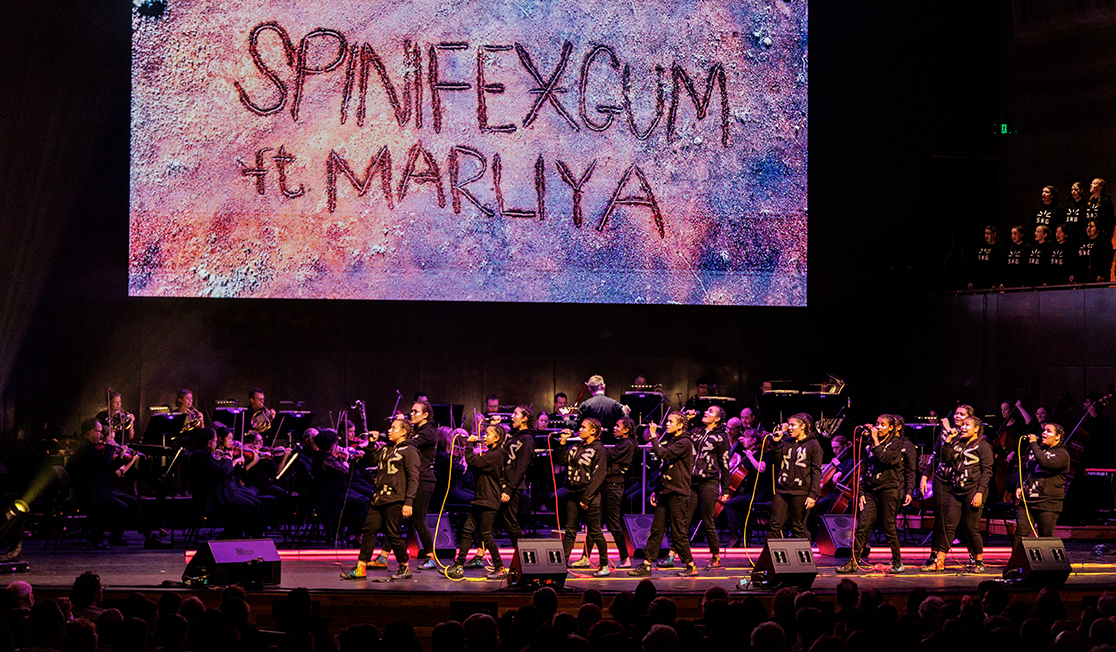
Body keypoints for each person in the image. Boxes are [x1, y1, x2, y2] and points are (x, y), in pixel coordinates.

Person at [341, 417, 420, 581]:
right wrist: (370, 445)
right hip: (379, 497)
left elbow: (413, 478)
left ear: (403, 432)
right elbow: (371, 461)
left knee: (392, 534)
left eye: (394, 428)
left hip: (395, 498)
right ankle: (361, 567)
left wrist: (409, 502)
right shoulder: (386, 449)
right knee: (369, 530)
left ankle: (404, 566)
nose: (389, 431)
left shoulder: (410, 451)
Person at [67, 418, 164, 548]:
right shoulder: (84, 449)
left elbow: (106, 469)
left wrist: (121, 459)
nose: (101, 435)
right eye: (99, 432)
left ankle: (148, 537)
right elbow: (103, 463)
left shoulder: (91, 448)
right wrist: (110, 447)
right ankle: (96, 534)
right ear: (90, 432)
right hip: (90, 493)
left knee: (133, 501)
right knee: (122, 507)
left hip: (101, 490)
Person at [628, 412, 697, 578]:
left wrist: (653, 436)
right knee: (656, 529)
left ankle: (690, 565)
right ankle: (646, 564)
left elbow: (664, 454)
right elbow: (665, 468)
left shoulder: (685, 442)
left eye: (671, 422)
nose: (667, 424)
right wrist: (657, 490)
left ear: (680, 426)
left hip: (678, 492)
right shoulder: (675, 441)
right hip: (666, 491)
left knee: (678, 531)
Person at [837, 415, 907, 574]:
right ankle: (852, 562)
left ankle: (897, 562)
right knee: (862, 525)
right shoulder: (869, 446)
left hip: (889, 490)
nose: (879, 427)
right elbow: (864, 470)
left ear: (891, 428)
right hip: (871, 491)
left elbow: (885, 460)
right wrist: (861, 491)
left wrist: (875, 439)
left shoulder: (895, 443)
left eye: (883, 425)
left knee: (889, 527)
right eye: (877, 424)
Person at [923, 414, 992, 572]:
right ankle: (939, 562)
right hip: (957, 490)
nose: (963, 427)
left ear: (976, 429)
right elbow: (944, 458)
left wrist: (980, 492)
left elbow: (987, 471)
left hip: (974, 490)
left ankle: (979, 562)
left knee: (971, 527)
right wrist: (947, 441)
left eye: (968, 425)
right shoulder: (958, 443)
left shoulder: (982, 445)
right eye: (963, 425)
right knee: (949, 526)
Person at [444, 425, 509, 580]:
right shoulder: (492, 453)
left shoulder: (497, 454)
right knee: (467, 531)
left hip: (488, 500)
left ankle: (499, 567)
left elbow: (474, 462)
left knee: (486, 535)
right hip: (480, 499)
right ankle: (459, 565)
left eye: (488, 434)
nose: (484, 437)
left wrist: (469, 444)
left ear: (497, 438)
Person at [187, 427, 264, 539]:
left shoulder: (202, 454)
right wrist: (228, 459)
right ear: (209, 443)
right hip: (213, 497)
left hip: (220, 492)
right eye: (215, 442)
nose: (216, 444)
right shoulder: (201, 456)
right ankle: (238, 535)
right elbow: (222, 472)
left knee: (255, 502)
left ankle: (238, 534)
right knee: (250, 505)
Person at [919, 404, 972, 566]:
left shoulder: (968, 434)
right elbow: (937, 456)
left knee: (965, 520)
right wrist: (925, 475)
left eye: (962, 414)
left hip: (961, 481)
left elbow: (953, 456)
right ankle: (935, 553)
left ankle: (973, 553)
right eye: (956, 413)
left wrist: (949, 431)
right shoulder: (944, 432)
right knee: (940, 518)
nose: (957, 416)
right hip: (942, 479)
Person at [556, 419, 609, 577]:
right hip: (573, 493)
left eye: (583, 427)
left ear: (593, 431)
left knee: (595, 531)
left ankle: (604, 564)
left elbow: (599, 475)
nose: (580, 429)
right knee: (570, 530)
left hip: (589, 495)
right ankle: (562, 563)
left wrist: (586, 498)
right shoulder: (576, 447)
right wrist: (562, 443)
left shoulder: (599, 449)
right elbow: (562, 461)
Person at [1010, 422, 1069, 549]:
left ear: (1057, 437)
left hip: (1048, 502)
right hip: (1028, 501)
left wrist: (1033, 444)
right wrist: (1019, 485)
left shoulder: (1062, 454)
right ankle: (1016, 565)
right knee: (1020, 534)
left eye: (1048, 431)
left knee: (1045, 535)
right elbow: (1024, 470)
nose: (1043, 433)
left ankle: (1046, 566)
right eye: (1043, 430)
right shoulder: (1036, 450)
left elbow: (1045, 463)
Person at [686, 405, 732, 569]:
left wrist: (725, 488)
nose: (705, 412)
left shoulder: (721, 437)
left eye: (710, 411)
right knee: (684, 520)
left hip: (709, 481)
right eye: (706, 410)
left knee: (707, 520)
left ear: (718, 418)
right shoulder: (696, 431)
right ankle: (673, 554)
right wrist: (686, 420)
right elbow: (678, 436)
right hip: (691, 481)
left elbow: (724, 462)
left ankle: (716, 556)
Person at [767, 413, 824, 540]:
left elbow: (816, 471)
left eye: (793, 425)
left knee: (797, 526)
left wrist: (812, 495)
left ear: (803, 426)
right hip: (782, 490)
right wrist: (775, 444)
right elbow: (775, 460)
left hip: (801, 491)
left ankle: (805, 559)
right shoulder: (786, 442)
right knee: (774, 525)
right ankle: (769, 559)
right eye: (789, 425)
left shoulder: (813, 445)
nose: (790, 428)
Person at [723, 422, 775, 547]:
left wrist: (751, 457)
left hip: (759, 494)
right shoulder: (748, 453)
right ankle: (738, 536)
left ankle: (734, 537)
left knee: (729, 504)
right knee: (735, 504)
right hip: (749, 492)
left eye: (746, 438)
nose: (744, 440)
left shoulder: (761, 454)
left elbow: (761, 468)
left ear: (753, 440)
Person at [407, 401, 440, 570]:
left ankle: (430, 556)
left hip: (424, 480)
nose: (411, 414)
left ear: (425, 414)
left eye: (415, 411)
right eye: (411, 411)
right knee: (397, 517)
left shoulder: (428, 432)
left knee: (419, 519)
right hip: (415, 479)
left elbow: (408, 444)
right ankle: (383, 555)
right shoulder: (419, 431)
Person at [1072, 219, 1113, 283]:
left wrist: (1102, 274)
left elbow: (1107, 260)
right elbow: (1075, 259)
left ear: (1098, 229)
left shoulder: (1104, 242)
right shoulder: (1081, 242)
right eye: (1087, 226)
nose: (1088, 228)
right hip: (1082, 278)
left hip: (1097, 278)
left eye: (1091, 226)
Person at [968, 225, 1006, 290]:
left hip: (992, 283)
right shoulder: (981, 247)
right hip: (980, 283)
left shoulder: (1000, 248)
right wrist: (972, 280)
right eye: (985, 233)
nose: (986, 236)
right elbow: (975, 265)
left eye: (988, 233)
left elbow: (1001, 266)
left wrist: (998, 282)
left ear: (994, 234)